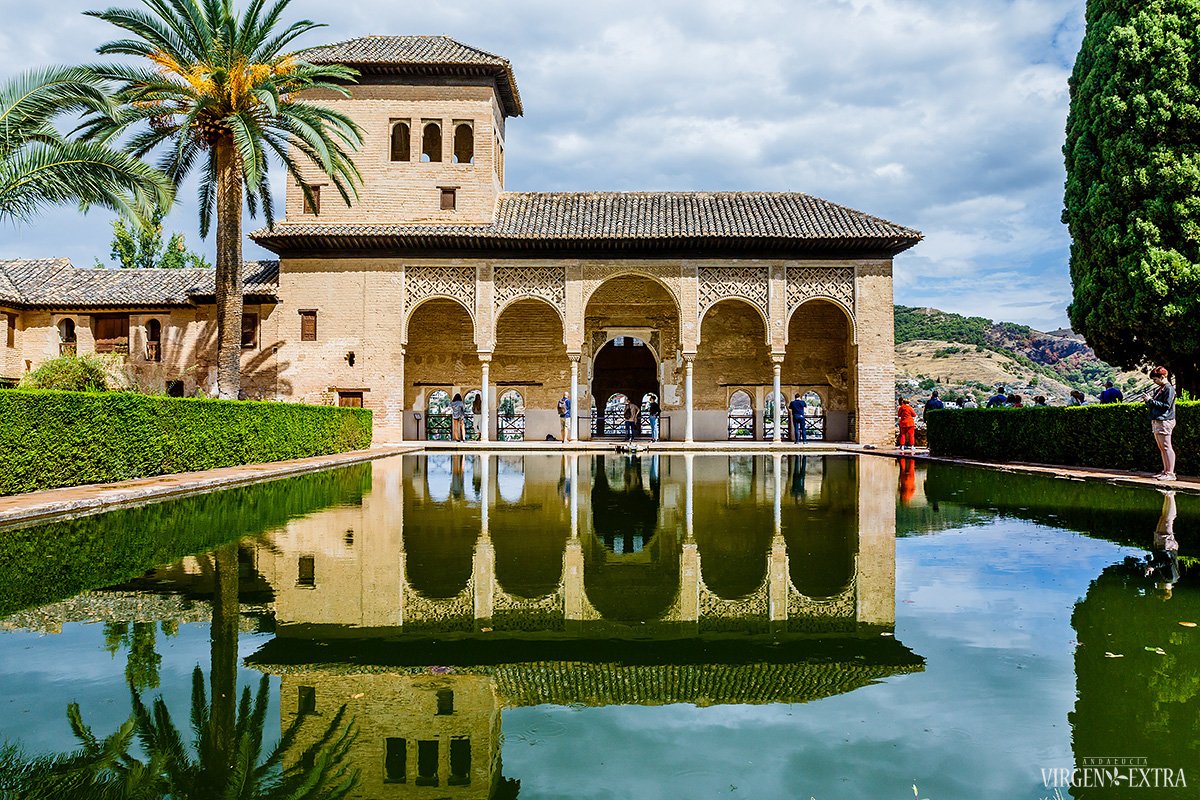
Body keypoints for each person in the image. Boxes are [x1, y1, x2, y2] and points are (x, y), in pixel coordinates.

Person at [1144, 366, 1176, 481]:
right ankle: (1165, 470)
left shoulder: (1169, 389)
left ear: (1162, 377)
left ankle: (1170, 473)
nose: (1154, 382)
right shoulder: (1161, 389)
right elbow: (1155, 404)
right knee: (1162, 447)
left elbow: (1166, 406)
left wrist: (1150, 401)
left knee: (1167, 446)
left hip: (1165, 420)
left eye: (1155, 379)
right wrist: (1149, 402)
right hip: (1158, 420)